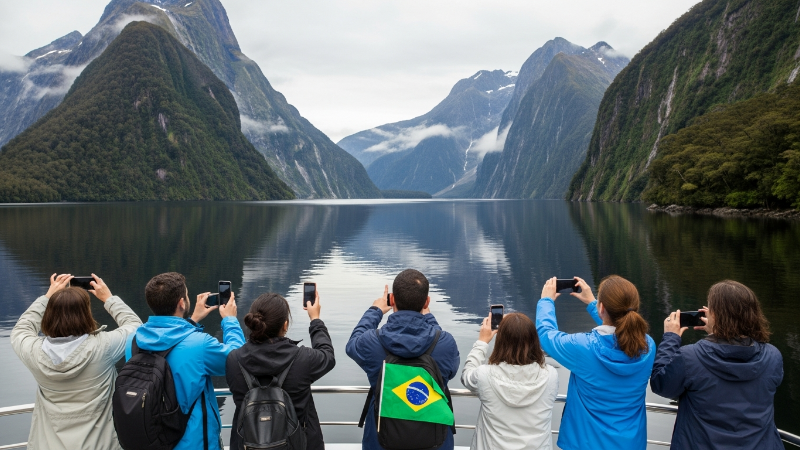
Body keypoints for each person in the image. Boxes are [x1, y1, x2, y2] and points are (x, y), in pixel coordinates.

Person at [11, 274, 142, 450]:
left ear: (49, 315)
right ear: (85, 315)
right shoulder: (103, 347)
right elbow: (135, 327)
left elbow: (21, 329)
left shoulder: (34, 352)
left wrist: (47, 297)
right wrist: (109, 299)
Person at [650, 280, 784, 449]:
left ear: (715, 315)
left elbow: (661, 385)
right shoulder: (773, 356)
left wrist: (671, 338)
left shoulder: (690, 357)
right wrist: (717, 332)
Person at [125, 272, 244, 450]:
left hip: (151, 440)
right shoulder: (200, 345)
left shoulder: (134, 340)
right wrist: (230, 320)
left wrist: (192, 321)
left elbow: (168, 341)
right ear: (182, 303)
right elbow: (238, 360)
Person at [536, 275, 655, 450]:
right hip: (630, 444)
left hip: (585, 444)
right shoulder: (647, 347)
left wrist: (546, 301)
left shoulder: (583, 348)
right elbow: (622, 330)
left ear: (602, 308)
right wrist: (593, 304)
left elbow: (546, 335)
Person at [346, 269, 460, 450]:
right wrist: (429, 318)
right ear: (426, 302)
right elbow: (450, 368)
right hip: (435, 443)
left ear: (392, 300)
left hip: (381, 443)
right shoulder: (445, 344)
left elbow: (352, 344)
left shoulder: (371, 342)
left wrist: (375, 311)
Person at [226, 290, 335, 450]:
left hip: (247, 445)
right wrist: (315, 320)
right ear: (285, 325)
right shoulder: (303, 359)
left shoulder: (233, 360)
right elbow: (327, 356)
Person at [461, 312, 559, 450]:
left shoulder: (485, 375)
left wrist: (482, 343)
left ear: (501, 342)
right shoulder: (551, 375)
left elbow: (466, 376)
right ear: (534, 341)